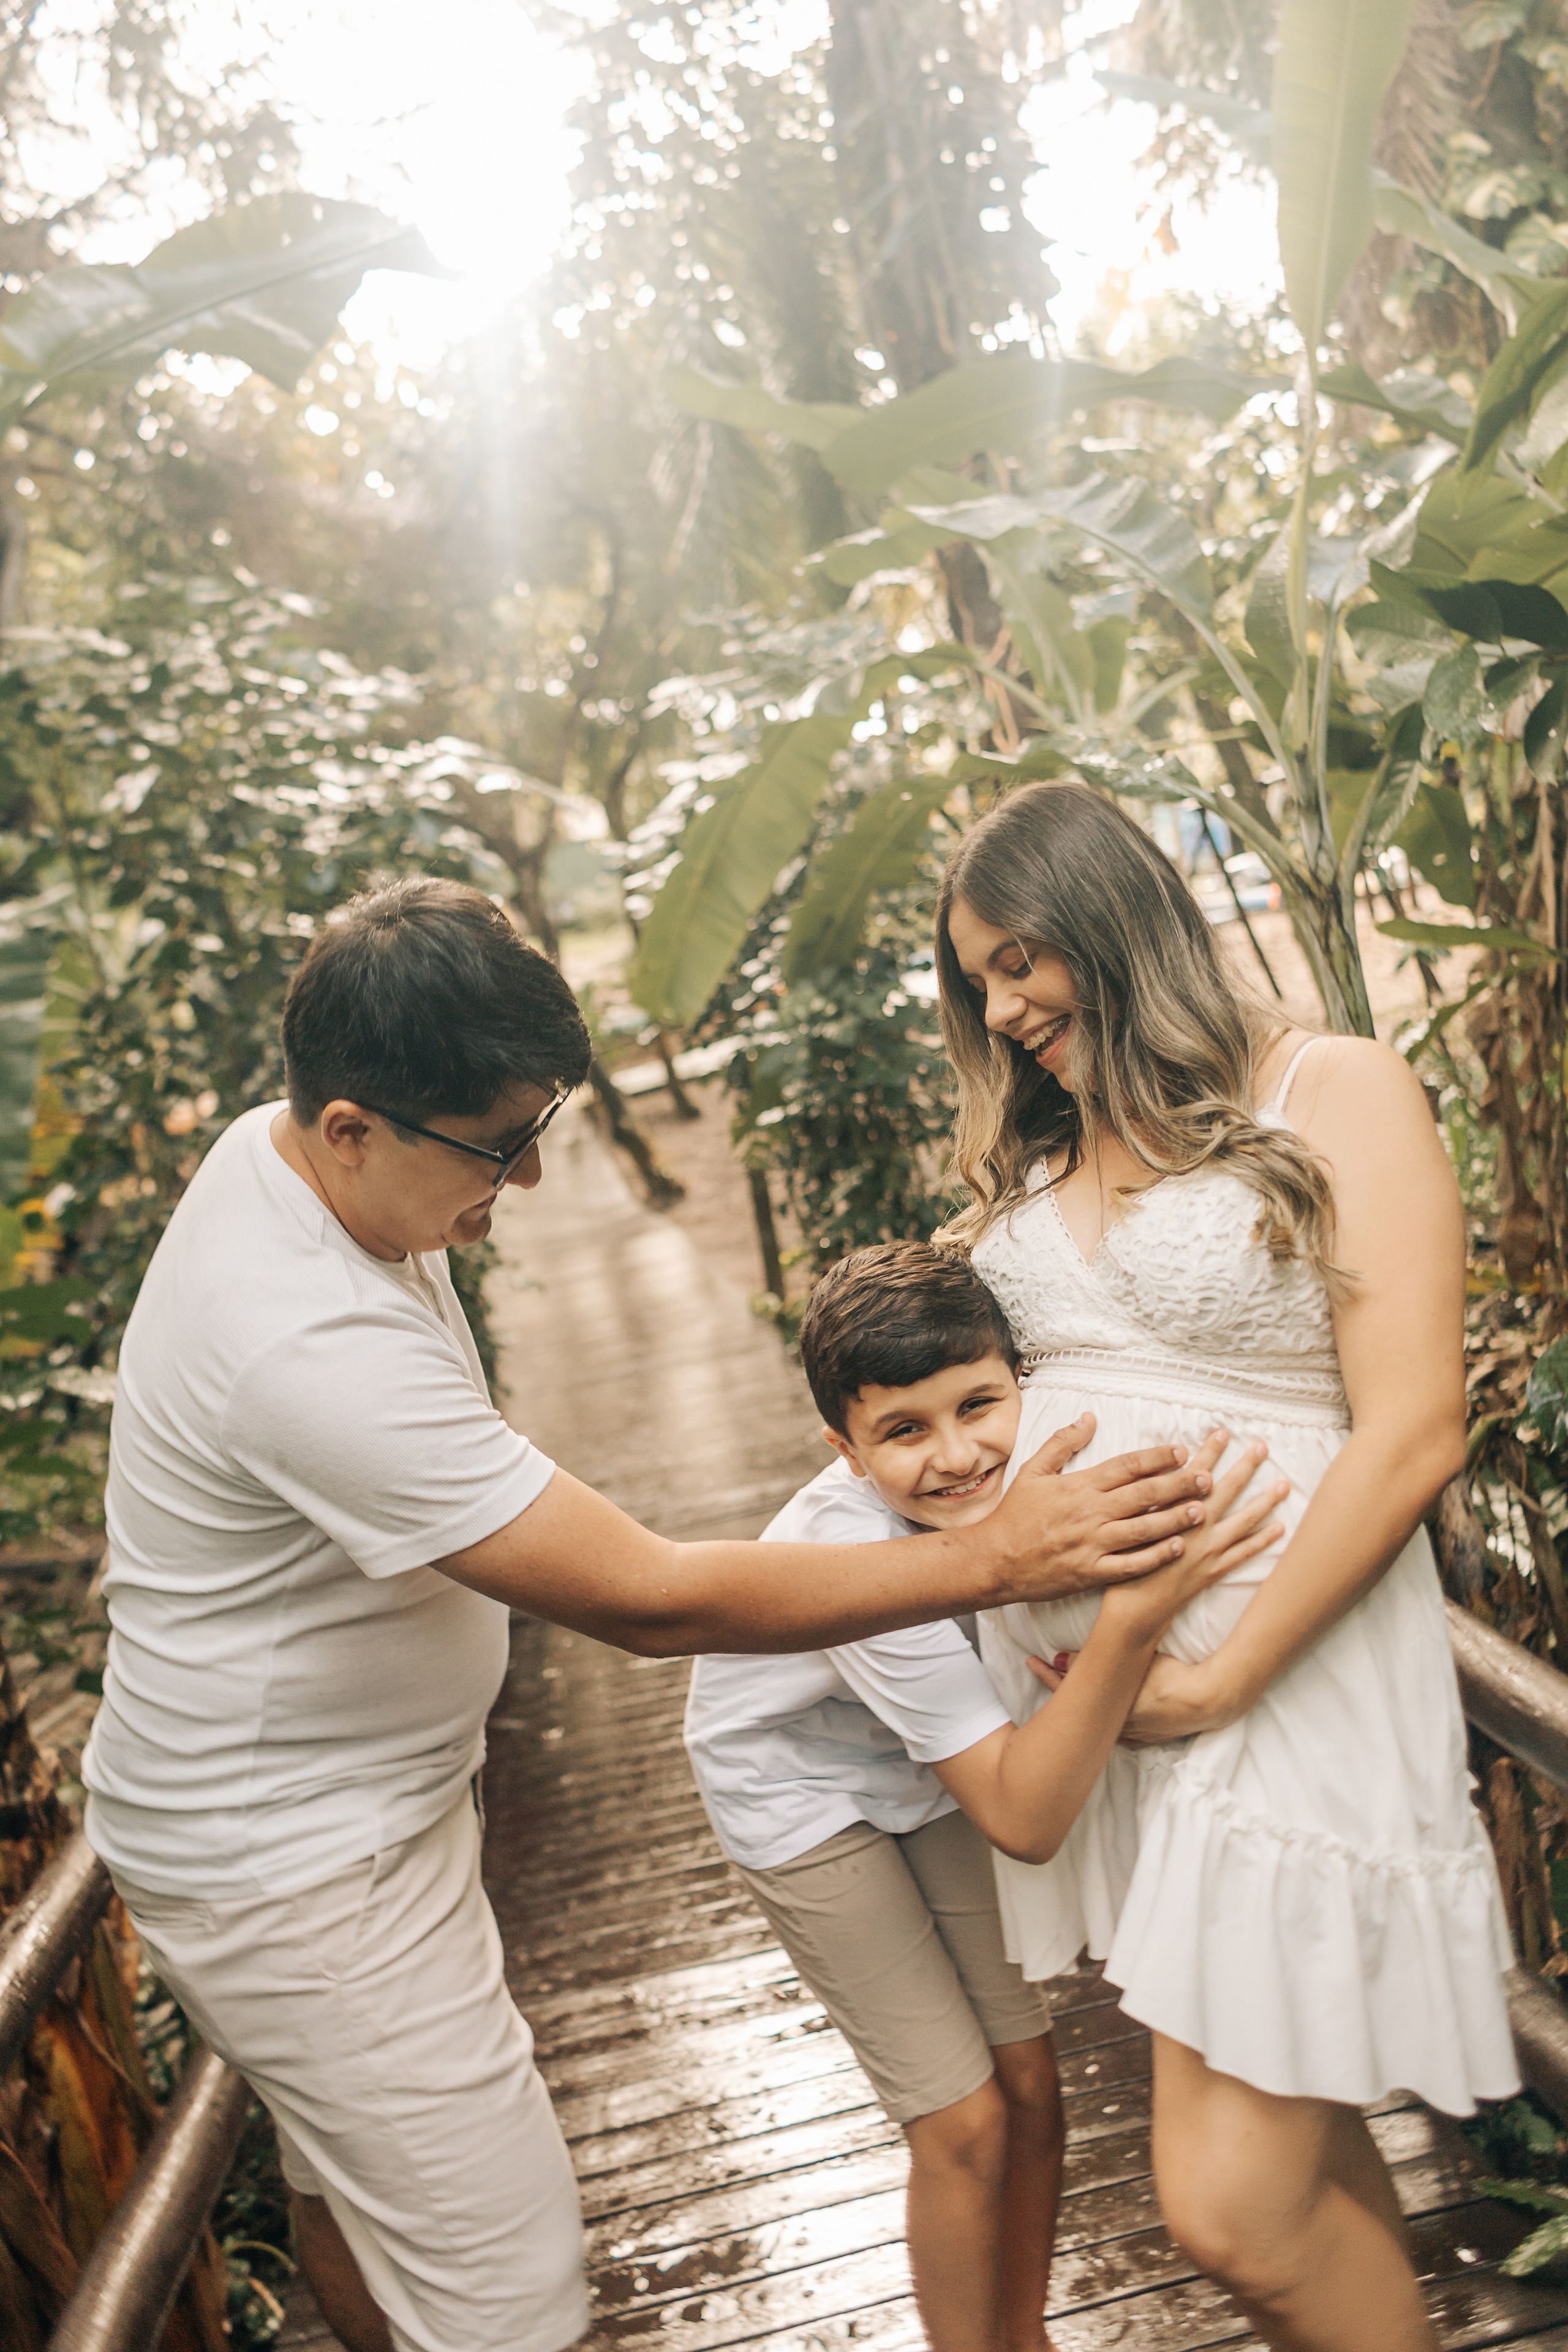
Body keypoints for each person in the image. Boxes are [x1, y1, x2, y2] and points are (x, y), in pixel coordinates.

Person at [81, 876, 1232, 2352]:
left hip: (358, 1804)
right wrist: (999, 1555)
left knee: (363, 2200)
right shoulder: (293, 1337)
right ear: (353, 1126)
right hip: (295, 1859)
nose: (530, 1184)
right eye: (499, 1150)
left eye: (538, 1133)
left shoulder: (299, 1152)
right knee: (507, 2290)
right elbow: (649, 1596)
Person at [933, 780, 1518, 2352]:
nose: (998, 1010)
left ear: (1109, 918)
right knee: (1307, 2159)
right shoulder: (1044, 1143)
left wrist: (1215, 1680)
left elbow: (1409, 1433)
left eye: (1017, 963)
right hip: (1133, 1712)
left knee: (1229, 2206)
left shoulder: (1330, 1087)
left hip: (1287, 1679)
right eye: (974, 980)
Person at [685, 1241, 1281, 2352]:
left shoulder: (1043, 1469)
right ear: (845, 1452)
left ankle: (1022, 2337)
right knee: (961, 2123)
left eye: (978, 1406)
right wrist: (1139, 1617)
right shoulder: (858, 1562)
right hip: (804, 1795)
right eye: (903, 1432)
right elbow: (1028, 1818)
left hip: (937, 1767)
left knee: (1031, 2089)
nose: (958, 1457)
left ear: (1024, 1383)